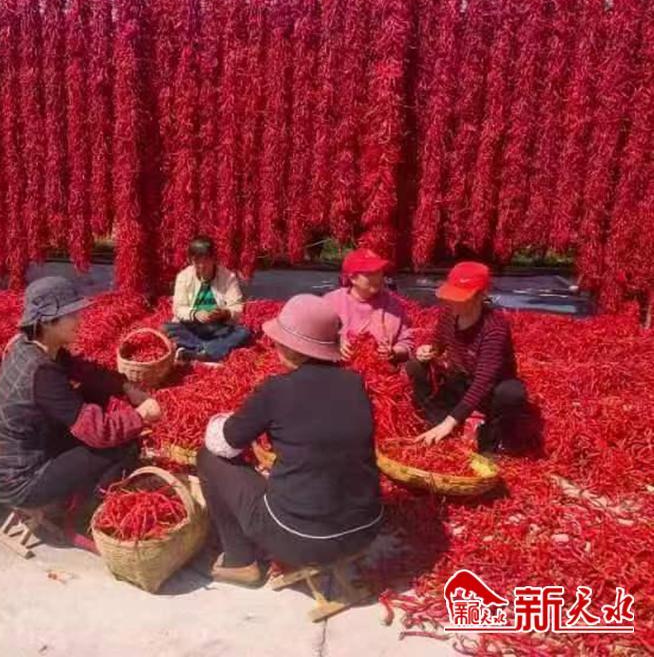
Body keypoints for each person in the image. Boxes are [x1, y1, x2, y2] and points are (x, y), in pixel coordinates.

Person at [196, 294, 383, 587]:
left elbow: (224, 444)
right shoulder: (355, 383)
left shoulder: (277, 389)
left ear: (292, 347)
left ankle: (239, 560)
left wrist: (223, 419)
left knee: (209, 457)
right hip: (366, 530)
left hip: (301, 540)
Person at [0, 276, 162, 516]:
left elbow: (84, 370)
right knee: (122, 443)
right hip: (21, 481)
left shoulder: (31, 345)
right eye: (71, 315)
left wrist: (125, 386)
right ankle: (91, 509)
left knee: (94, 393)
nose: (80, 320)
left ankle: (85, 486)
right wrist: (141, 415)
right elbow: (100, 433)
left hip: (20, 454)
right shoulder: (42, 373)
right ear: (47, 322)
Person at [406, 262, 526, 453]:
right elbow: (439, 343)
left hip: (491, 389)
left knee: (511, 393)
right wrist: (428, 351)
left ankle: (491, 438)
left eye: (461, 298)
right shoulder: (449, 313)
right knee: (415, 366)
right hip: (460, 379)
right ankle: (437, 421)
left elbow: (484, 382)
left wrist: (449, 423)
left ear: (481, 295)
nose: (453, 302)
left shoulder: (494, 328)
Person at [164, 236, 251, 363]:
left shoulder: (228, 277)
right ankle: (210, 350)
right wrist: (195, 314)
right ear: (190, 260)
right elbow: (178, 308)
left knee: (243, 333)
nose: (202, 266)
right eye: (197, 261)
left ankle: (196, 350)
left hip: (217, 327)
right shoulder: (184, 276)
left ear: (214, 259)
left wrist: (224, 313)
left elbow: (237, 306)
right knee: (165, 329)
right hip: (192, 326)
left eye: (206, 260)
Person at [324, 248, 413, 363]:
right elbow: (313, 336)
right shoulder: (332, 301)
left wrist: (394, 352)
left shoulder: (393, 305)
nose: (378, 277)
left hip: (379, 369)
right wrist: (336, 342)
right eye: (370, 273)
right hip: (335, 369)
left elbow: (406, 341)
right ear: (352, 278)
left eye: (379, 271)